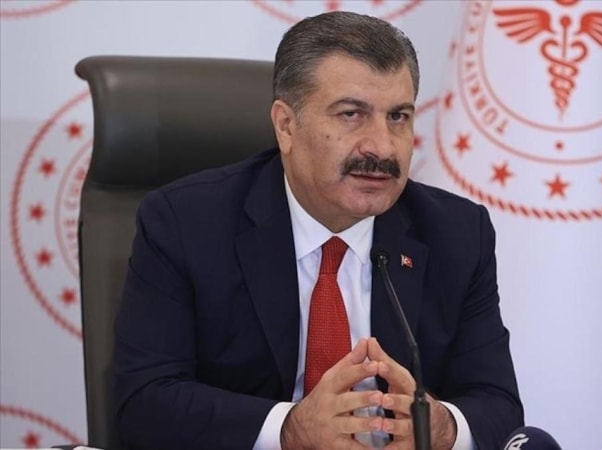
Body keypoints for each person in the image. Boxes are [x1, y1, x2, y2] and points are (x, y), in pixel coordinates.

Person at [113, 10, 523, 450]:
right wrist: (290, 429)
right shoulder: (186, 222)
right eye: (351, 114)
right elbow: (144, 403)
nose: (382, 147)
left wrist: (442, 427)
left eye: (398, 117)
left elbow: (498, 405)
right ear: (286, 126)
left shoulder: (457, 233)